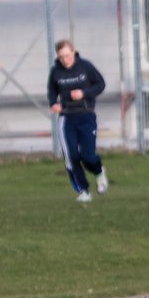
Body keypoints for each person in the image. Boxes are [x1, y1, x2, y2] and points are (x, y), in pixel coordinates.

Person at [47, 39, 108, 203]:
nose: (64, 60)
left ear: (73, 52)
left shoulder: (85, 66)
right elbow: (52, 91)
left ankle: (99, 172)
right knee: (71, 157)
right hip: (67, 118)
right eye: (61, 57)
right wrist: (53, 104)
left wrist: (84, 93)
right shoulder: (56, 72)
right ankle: (83, 191)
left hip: (86, 115)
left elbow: (101, 84)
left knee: (88, 156)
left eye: (67, 55)